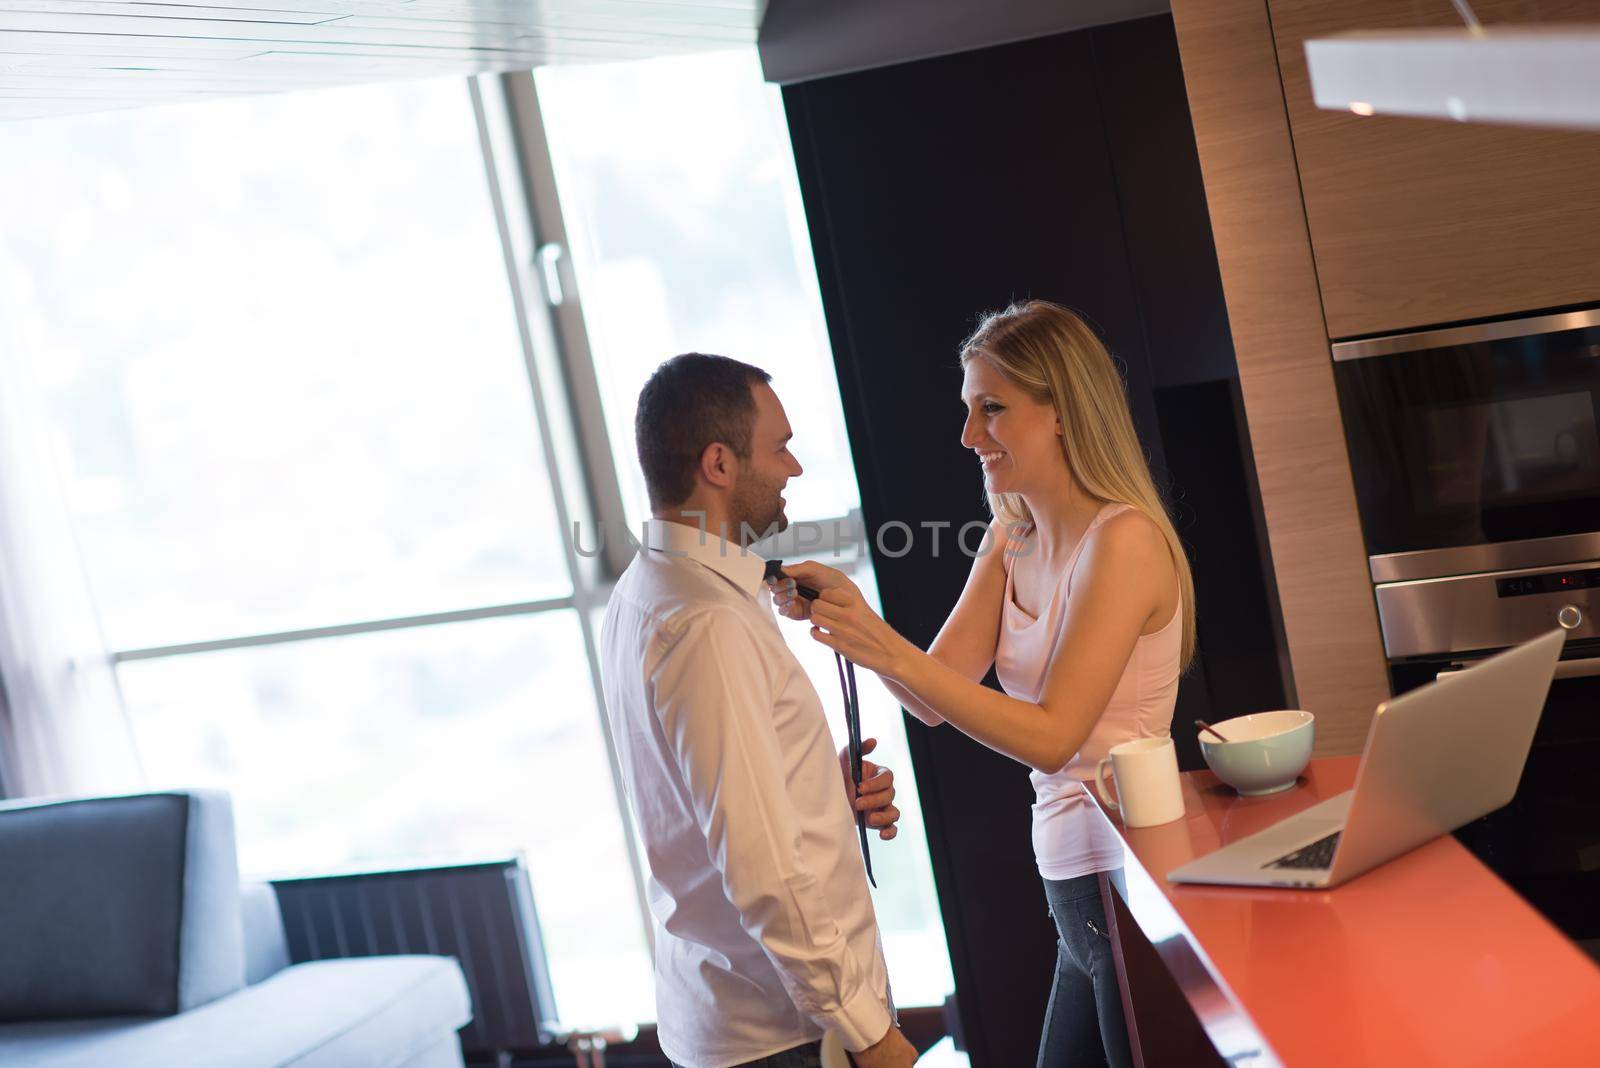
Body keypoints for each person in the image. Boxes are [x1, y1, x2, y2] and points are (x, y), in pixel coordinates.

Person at [772, 301, 1195, 1068]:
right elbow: (932, 697)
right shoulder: (1012, 536)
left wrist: (878, 642)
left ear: (1061, 412)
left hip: (1125, 878)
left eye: (991, 408)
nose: (970, 436)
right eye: (969, 410)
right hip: (1075, 892)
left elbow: (1056, 735)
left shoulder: (1123, 542)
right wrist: (852, 616)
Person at [599, 352, 919, 1068]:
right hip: (783, 1038)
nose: (794, 469)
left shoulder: (648, 592)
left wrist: (816, 794)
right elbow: (761, 866)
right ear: (719, 463)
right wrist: (871, 1032)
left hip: (742, 1017)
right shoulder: (706, 621)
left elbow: (703, 805)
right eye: (779, 448)